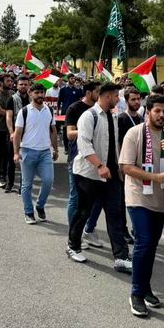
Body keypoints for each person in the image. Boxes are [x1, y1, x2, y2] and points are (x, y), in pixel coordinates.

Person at [119, 93, 164, 317]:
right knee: (144, 242)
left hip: (163, 199)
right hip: (139, 195)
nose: (161, 115)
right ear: (148, 112)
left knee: (152, 245)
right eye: (157, 111)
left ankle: (146, 289)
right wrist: (155, 177)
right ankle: (136, 293)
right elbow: (126, 167)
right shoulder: (134, 134)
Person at [67, 83, 133, 274]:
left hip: (110, 175)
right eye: (115, 96)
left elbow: (114, 145)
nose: (118, 99)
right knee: (83, 212)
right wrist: (100, 165)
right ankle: (73, 246)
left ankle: (120, 257)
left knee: (115, 215)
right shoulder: (89, 116)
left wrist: (118, 166)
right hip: (89, 173)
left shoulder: (112, 116)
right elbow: (84, 145)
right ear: (105, 96)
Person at [13, 84, 59, 224]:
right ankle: (28, 212)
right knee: (27, 185)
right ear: (30, 93)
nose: (40, 95)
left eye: (42, 92)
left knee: (48, 180)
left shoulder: (49, 110)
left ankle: (39, 205)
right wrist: (16, 152)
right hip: (27, 151)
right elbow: (17, 134)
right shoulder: (24, 111)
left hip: (45, 152)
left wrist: (56, 149)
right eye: (37, 92)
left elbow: (53, 131)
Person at [64, 81, 99, 227]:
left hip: (96, 159)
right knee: (76, 197)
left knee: (94, 198)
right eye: (98, 91)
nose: (100, 95)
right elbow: (70, 134)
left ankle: (88, 230)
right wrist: (87, 129)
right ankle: (74, 233)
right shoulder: (74, 108)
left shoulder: (100, 109)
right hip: (77, 158)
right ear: (89, 93)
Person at [0, 74, 15, 192]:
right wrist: (15, 113)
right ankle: (0, 175)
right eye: (8, 81)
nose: (10, 83)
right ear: (1, 82)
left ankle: (5, 175)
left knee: (8, 154)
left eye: (11, 81)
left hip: (11, 128)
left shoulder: (13, 94)